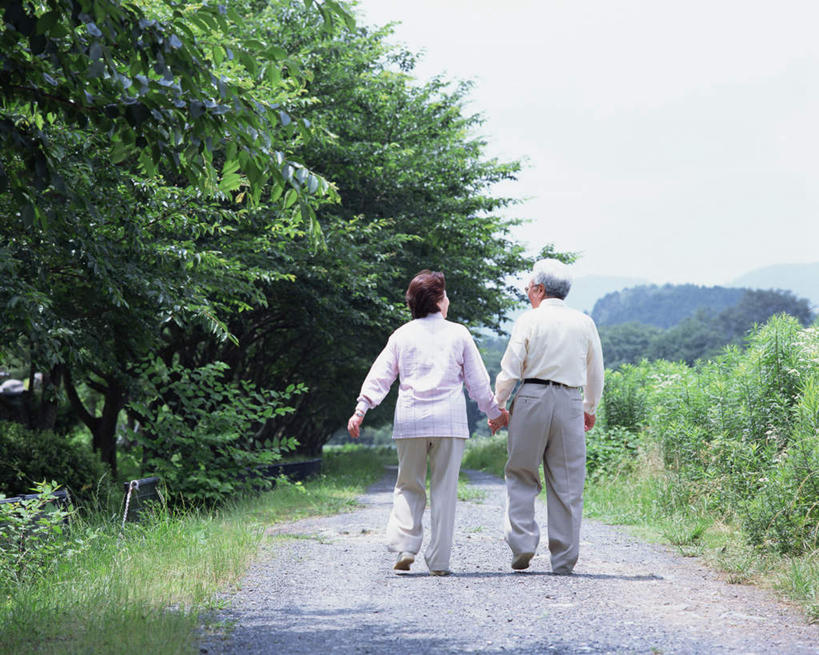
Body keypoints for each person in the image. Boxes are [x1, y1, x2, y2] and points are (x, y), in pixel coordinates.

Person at [347, 270, 504, 576]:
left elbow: (381, 375)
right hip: (449, 421)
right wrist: (494, 413)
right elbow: (478, 383)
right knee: (444, 490)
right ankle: (440, 562)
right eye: (445, 295)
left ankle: (406, 546)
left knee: (408, 484)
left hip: (411, 420)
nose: (448, 300)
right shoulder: (459, 333)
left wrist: (361, 408)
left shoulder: (402, 335)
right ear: (438, 300)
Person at [488, 258, 604, 574]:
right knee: (568, 482)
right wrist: (589, 408)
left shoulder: (529, 320)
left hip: (532, 399)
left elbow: (510, 367)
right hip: (569, 400)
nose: (527, 292)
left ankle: (523, 544)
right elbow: (596, 372)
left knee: (521, 472)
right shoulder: (584, 322)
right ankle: (564, 559)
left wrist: (498, 405)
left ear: (539, 289)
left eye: (528, 287)